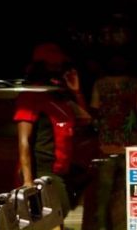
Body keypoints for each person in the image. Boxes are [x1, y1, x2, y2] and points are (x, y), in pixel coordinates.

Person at [14, 42, 96, 220]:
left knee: (60, 212)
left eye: (59, 66)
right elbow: (24, 141)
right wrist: (27, 182)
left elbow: (86, 120)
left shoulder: (60, 97)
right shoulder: (30, 96)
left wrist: (77, 92)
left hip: (63, 169)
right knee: (56, 213)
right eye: (52, 66)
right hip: (43, 170)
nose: (56, 70)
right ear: (40, 67)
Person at [89, 54, 137, 230]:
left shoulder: (100, 84)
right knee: (127, 192)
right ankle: (124, 228)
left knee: (106, 192)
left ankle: (103, 229)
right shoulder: (136, 84)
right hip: (130, 146)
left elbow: (94, 112)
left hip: (108, 144)